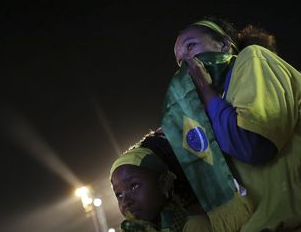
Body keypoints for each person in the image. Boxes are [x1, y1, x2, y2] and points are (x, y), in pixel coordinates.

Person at [162, 16, 301, 231]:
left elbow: (253, 145)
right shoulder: (215, 101)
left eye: (191, 46)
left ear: (225, 44)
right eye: (180, 61)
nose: (187, 62)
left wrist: (206, 92)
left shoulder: (253, 58)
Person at [109, 129, 212, 232]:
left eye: (134, 186)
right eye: (119, 195)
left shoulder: (196, 226)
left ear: (164, 183)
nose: (125, 202)